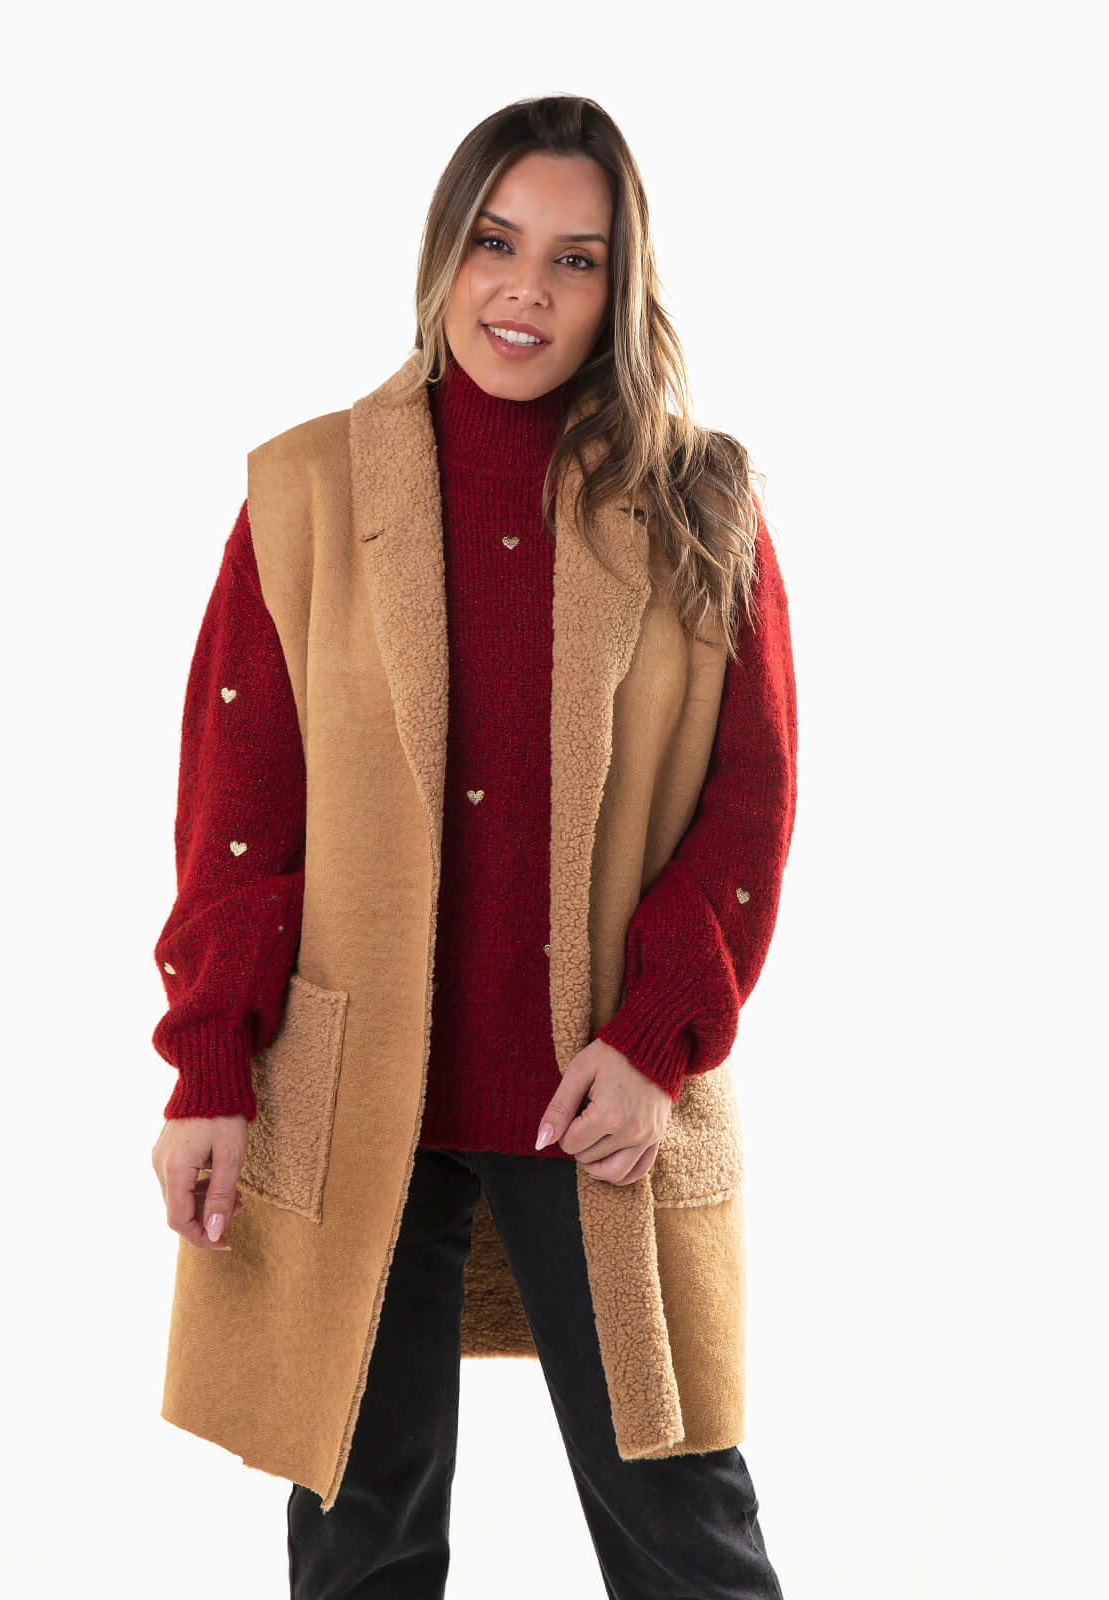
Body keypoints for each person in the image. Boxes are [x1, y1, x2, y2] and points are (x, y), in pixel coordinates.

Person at [150, 94, 796, 1599]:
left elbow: (750, 800)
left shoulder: (698, 499)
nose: (526, 291)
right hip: (352, 1088)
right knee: (359, 1537)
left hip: (599, 1090)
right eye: (497, 244)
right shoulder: (306, 491)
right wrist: (209, 1064)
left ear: (621, 286)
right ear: (444, 251)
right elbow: (241, 808)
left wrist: (657, 1037)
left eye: (576, 259)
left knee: (686, 1533)